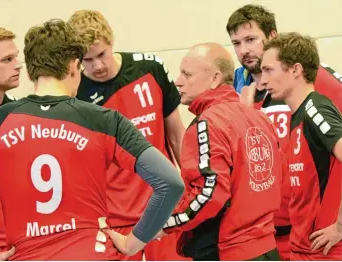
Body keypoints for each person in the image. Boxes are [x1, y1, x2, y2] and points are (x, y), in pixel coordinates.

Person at [0, 19, 184, 260]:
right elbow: (170, 183)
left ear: (30, 72)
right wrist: (134, 242)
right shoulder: (104, 120)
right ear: (74, 66)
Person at [109, 42, 282, 261]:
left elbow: (208, 195)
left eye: (187, 74)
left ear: (215, 78)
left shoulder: (208, 123)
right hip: (267, 249)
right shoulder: (259, 118)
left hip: (227, 251)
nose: (177, 81)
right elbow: (275, 180)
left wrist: (152, 229)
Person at [68, 10, 187, 261]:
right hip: (114, 218)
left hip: (163, 211)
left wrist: (189, 191)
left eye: (101, 54)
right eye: (87, 60)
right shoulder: (75, 94)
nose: (98, 66)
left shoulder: (150, 68)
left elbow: (177, 135)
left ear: (111, 42)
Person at [226, 5, 342, 260]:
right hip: (271, 231)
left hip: (319, 236)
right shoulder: (243, 92)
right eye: (236, 43)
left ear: (272, 37)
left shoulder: (315, 85)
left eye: (251, 39)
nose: (244, 50)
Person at [260, 32, 342, 260]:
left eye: (269, 70)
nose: (263, 80)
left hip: (324, 252)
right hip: (303, 247)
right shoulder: (297, 116)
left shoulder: (315, 109)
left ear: (295, 70)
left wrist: (340, 228)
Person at [0, 25, 22, 256]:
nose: (18, 65)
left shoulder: (20, 111)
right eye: (7, 60)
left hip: (22, 244)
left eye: (16, 57)